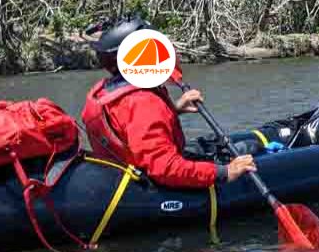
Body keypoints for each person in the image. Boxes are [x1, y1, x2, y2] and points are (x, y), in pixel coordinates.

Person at [80, 16, 256, 189]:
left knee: (248, 145)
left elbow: (129, 128)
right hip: (150, 186)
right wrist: (225, 172)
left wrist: (174, 109)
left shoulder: (103, 90)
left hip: (125, 174)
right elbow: (165, 168)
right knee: (250, 150)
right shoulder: (143, 102)